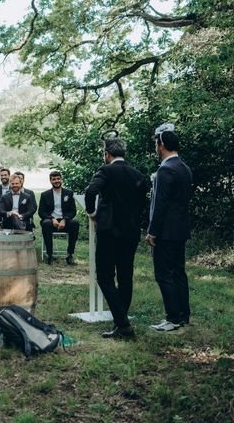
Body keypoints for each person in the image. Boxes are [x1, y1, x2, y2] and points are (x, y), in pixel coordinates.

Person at [85, 138, 148, 338]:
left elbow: (91, 191)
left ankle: (122, 324)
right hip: (130, 232)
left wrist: (91, 212)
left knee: (104, 276)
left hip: (109, 231)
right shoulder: (138, 174)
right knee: (125, 276)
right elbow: (142, 203)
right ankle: (122, 322)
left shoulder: (106, 170)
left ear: (107, 154)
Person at [146, 124, 193, 332]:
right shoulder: (184, 167)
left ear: (162, 145)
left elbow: (161, 204)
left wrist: (152, 231)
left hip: (165, 231)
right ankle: (183, 315)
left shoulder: (165, 169)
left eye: (157, 144)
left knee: (164, 274)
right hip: (181, 229)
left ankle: (172, 318)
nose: (156, 148)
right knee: (179, 273)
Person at [38, 171, 79, 265]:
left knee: (75, 224)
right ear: (50, 181)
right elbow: (41, 212)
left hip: (65, 221)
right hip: (50, 220)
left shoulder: (69, 193)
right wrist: (52, 219)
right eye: (54, 179)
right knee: (46, 224)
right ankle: (50, 255)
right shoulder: (45, 195)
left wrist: (64, 219)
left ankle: (70, 255)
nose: (56, 181)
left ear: (61, 179)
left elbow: (73, 211)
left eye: (58, 179)